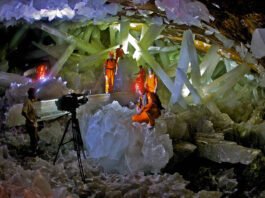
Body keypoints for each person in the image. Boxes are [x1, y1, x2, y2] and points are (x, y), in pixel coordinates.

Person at [22, 88, 40, 154]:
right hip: (31, 124)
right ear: (32, 94)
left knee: (36, 138)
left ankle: (34, 150)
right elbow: (24, 112)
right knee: (34, 139)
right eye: (35, 93)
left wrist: (37, 116)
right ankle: (34, 152)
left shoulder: (32, 102)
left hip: (34, 123)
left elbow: (32, 112)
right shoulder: (27, 102)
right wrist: (30, 120)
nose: (36, 95)